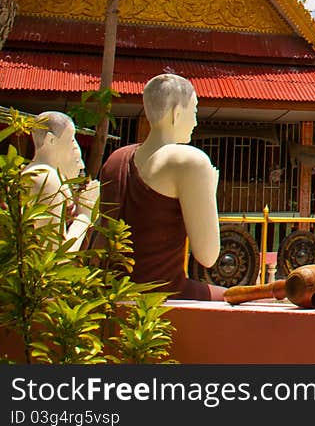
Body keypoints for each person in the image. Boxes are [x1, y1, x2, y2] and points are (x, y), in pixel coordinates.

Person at [97, 73, 224, 300]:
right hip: (163, 295)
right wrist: (209, 193)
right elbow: (208, 256)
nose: (195, 122)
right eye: (193, 111)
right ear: (176, 113)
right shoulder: (189, 161)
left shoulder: (116, 158)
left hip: (111, 292)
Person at [24, 111, 99, 251]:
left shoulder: (36, 173)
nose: (75, 145)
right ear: (51, 140)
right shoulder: (46, 178)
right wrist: (85, 216)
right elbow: (55, 255)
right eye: (71, 138)